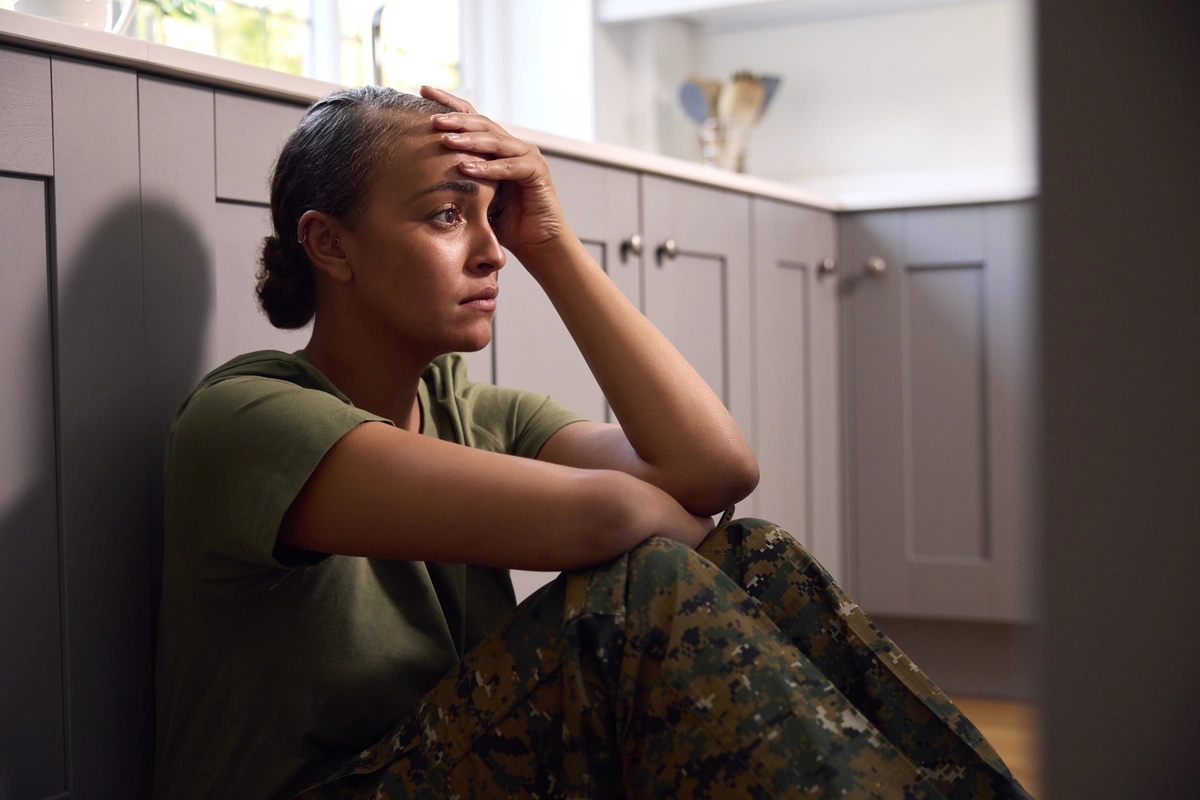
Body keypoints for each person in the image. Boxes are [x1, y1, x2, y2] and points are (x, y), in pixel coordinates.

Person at [152, 85, 1033, 800]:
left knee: (753, 553)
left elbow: (721, 469)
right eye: (447, 217)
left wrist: (556, 243)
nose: (494, 252)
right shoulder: (246, 420)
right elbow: (609, 515)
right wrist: (679, 540)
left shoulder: (470, 411)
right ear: (328, 245)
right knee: (646, 585)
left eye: (496, 216)